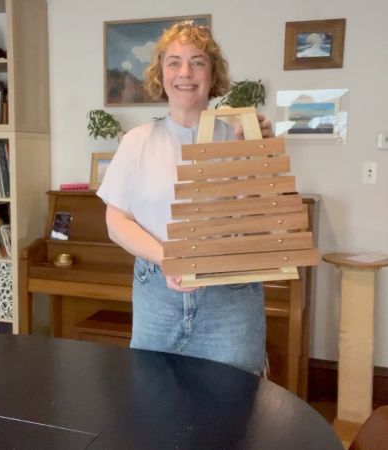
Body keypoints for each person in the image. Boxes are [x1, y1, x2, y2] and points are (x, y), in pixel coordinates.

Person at [96, 21, 273, 374]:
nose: (185, 73)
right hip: (157, 296)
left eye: (197, 62)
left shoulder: (242, 137)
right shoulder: (137, 141)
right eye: (174, 62)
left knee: (233, 404)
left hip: (230, 297)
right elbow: (116, 222)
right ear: (161, 74)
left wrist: (261, 150)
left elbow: (266, 220)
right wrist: (168, 258)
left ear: (213, 74)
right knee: (154, 401)